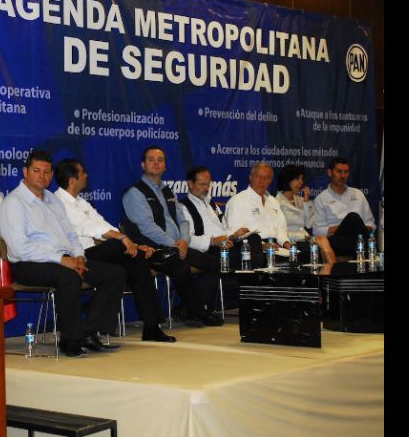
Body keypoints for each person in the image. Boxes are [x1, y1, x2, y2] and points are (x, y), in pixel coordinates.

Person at [0, 150, 127, 357]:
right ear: (25, 172)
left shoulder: (52, 199)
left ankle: (88, 332)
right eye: (36, 171)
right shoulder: (13, 203)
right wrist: (61, 260)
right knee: (68, 277)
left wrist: (79, 256)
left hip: (65, 259)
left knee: (115, 274)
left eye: (46, 172)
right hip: (29, 265)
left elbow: (70, 234)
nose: (42, 176)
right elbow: (20, 248)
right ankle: (70, 340)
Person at [54, 158, 176, 343]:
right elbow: (87, 227)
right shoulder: (58, 202)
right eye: (83, 173)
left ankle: (151, 327)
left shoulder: (81, 202)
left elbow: (103, 223)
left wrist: (131, 243)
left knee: (137, 266)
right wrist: (123, 239)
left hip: (99, 253)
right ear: (72, 180)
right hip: (78, 256)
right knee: (119, 246)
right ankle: (154, 256)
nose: (87, 175)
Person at [122, 146, 224, 327]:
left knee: (215, 264)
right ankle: (199, 312)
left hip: (179, 246)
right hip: (153, 248)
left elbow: (183, 220)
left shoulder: (168, 191)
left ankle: (187, 308)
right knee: (181, 267)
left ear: (165, 166)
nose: (156, 163)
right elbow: (147, 227)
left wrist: (184, 240)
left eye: (160, 160)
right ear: (143, 164)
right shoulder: (135, 193)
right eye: (151, 159)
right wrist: (175, 245)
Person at [180, 165, 264, 270]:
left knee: (254, 239)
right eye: (202, 184)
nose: (206, 188)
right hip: (209, 250)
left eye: (208, 184)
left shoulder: (210, 203)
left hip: (225, 245)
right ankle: (249, 278)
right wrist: (213, 241)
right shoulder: (184, 207)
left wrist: (233, 236)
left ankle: (251, 276)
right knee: (245, 256)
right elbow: (187, 239)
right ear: (190, 184)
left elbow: (222, 227)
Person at [223, 162, 292, 253]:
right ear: (251, 177)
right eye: (258, 176)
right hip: (252, 250)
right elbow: (235, 234)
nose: (261, 181)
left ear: (270, 180)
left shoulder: (273, 202)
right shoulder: (237, 201)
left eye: (265, 178)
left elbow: (281, 230)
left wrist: (286, 243)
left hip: (277, 248)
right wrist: (262, 245)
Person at [313, 157, 376, 256]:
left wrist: (359, 228)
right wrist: (345, 227)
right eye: (339, 171)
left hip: (357, 239)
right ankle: (369, 254)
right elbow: (317, 231)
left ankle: (365, 253)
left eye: (346, 172)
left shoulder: (358, 194)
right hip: (336, 242)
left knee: (354, 224)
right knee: (353, 218)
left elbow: (370, 223)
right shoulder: (321, 199)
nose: (343, 175)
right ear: (330, 173)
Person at [275, 164, 336, 263]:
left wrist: (307, 201)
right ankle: (331, 271)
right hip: (290, 241)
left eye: (302, 179)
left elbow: (309, 223)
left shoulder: (301, 200)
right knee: (320, 243)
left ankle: (331, 271)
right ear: (288, 180)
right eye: (298, 179)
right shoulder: (276, 202)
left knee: (323, 240)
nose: (301, 182)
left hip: (304, 239)